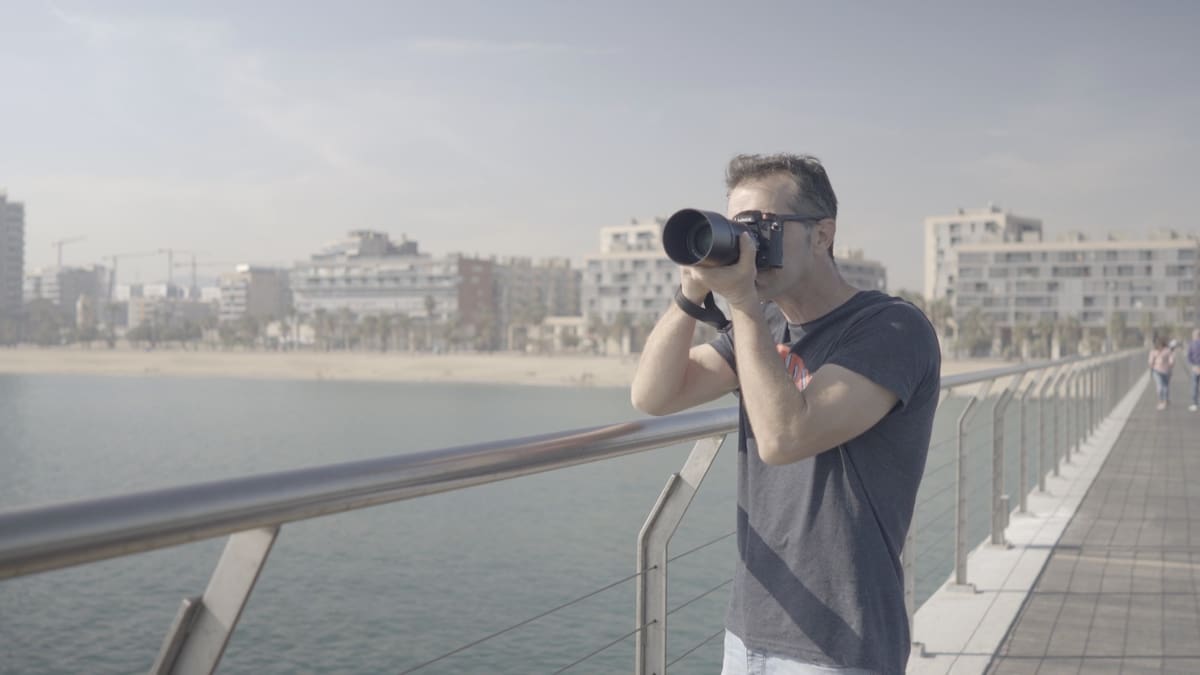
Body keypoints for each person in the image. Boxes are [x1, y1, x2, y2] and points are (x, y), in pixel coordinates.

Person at [631, 154, 940, 675]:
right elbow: (653, 395)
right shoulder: (765, 326)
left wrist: (743, 303)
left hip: (841, 643)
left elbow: (784, 437)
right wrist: (691, 293)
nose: (747, 244)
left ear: (822, 234)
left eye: (761, 226)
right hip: (750, 629)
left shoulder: (890, 329)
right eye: (737, 227)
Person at [1149, 335, 1174, 410]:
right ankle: (1161, 401)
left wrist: (1171, 364)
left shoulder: (1167, 350)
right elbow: (1150, 361)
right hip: (1157, 371)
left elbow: (1171, 359)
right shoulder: (1153, 351)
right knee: (1160, 386)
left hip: (1166, 371)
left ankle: (1165, 401)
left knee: (1165, 386)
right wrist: (1151, 367)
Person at [1188, 328, 1200, 412]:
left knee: (1195, 386)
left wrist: (1194, 365)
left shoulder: (1192, 344)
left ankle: (1195, 404)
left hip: (1195, 367)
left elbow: (1189, 356)